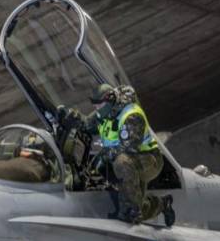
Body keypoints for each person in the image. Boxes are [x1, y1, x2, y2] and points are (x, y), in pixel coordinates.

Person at [63, 83, 175, 225]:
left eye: (99, 106)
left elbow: (128, 148)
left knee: (122, 163)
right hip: (123, 160)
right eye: (95, 106)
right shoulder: (104, 112)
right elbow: (87, 125)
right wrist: (73, 118)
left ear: (109, 101)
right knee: (108, 171)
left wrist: (104, 156)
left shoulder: (132, 116)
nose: (96, 110)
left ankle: (133, 210)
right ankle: (143, 204)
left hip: (147, 160)